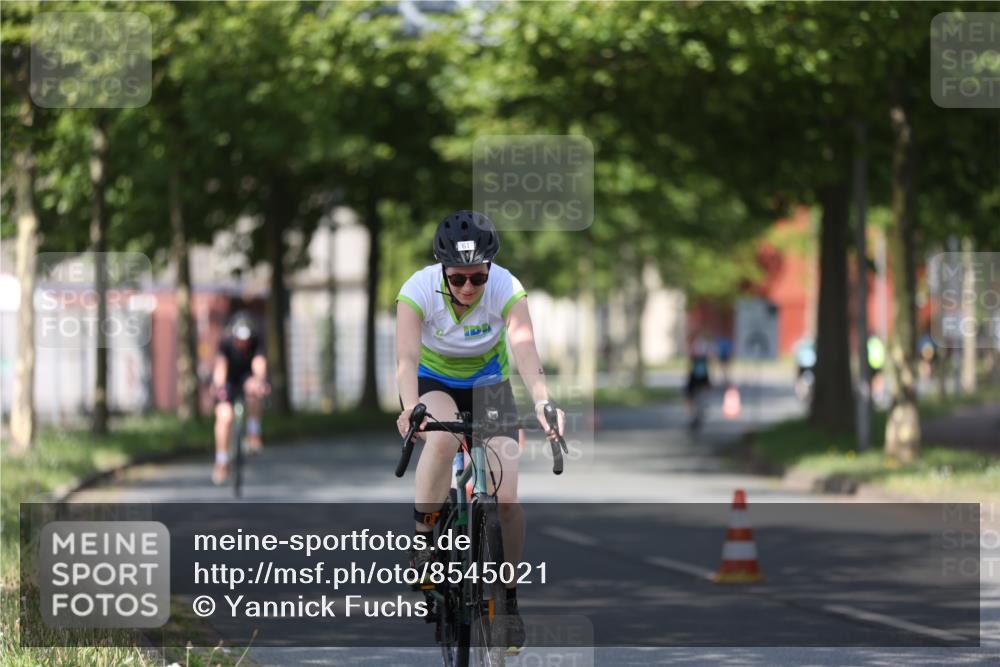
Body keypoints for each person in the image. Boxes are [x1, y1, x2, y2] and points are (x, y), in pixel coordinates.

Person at [395, 210, 564, 653]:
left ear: (490, 269)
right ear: (441, 272)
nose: (468, 287)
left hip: (490, 386)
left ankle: (507, 601)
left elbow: (524, 347)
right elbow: (406, 359)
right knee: (443, 436)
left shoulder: (506, 287)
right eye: (457, 279)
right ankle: (424, 542)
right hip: (435, 384)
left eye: (478, 277)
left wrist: (543, 402)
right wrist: (410, 406)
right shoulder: (416, 290)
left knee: (506, 496)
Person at [211, 309, 269, 485]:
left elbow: (259, 363)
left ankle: (253, 434)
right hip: (229, 380)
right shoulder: (226, 342)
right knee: (224, 416)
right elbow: (221, 367)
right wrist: (218, 387)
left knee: (254, 390)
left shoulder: (257, 340)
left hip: (246, 377)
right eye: (240, 340)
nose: (243, 344)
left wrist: (260, 381)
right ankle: (221, 461)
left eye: (246, 340)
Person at [685, 333, 712, 430]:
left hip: (697, 376)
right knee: (694, 395)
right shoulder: (705, 348)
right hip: (702, 375)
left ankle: (695, 413)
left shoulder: (694, 348)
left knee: (691, 396)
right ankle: (699, 411)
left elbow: (690, 362)